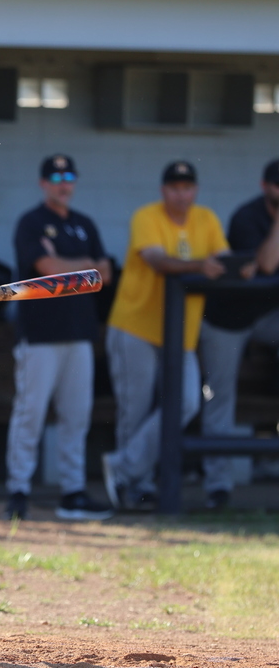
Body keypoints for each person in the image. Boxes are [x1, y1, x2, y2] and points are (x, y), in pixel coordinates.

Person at [102, 161, 229, 511]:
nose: (181, 193)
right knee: (136, 409)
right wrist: (201, 265)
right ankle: (134, 489)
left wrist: (235, 265)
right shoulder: (147, 215)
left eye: (187, 187)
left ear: (196, 190)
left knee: (187, 402)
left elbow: (224, 259)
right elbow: (158, 260)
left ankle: (124, 469)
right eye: (174, 187)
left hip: (181, 335)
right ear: (163, 190)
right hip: (136, 327)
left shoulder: (206, 219)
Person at [3, 155, 114, 521]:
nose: (63, 184)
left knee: (76, 416)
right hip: (39, 336)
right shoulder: (31, 223)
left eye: (69, 177)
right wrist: (81, 267)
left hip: (79, 334)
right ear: (43, 183)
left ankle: (73, 492)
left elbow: (105, 275)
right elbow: (47, 271)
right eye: (56, 178)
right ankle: (18, 490)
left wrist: (71, 266)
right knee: (30, 414)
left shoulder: (84, 224)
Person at [199, 159, 279, 509]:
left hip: (266, 316)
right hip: (227, 319)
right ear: (266, 186)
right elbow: (266, 264)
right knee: (221, 399)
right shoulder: (246, 217)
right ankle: (218, 487)